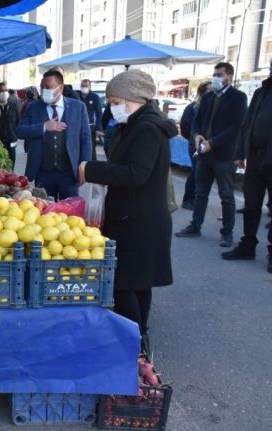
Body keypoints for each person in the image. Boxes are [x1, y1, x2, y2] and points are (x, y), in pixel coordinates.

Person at [77, 70, 176, 354]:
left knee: (123, 283)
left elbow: (136, 174)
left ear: (135, 99)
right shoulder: (133, 124)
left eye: (116, 101)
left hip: (139, 221)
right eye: (110, 101)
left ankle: (130, 342)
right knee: (139, 282)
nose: (112, 107)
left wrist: (90, 169)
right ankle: (138, 340)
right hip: (134, 215)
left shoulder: (146, 128)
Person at [176, 62, 248, 247]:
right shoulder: (208, 98)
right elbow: (197, 121)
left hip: (224, 154)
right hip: (204, 154)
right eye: (214, 74)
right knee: (201, 193)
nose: (216, 78)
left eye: (220, 74)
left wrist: (212, 143)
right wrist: (197, 135)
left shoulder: (238, 98)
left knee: (226, 195)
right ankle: (195, 225)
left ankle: (227, 232)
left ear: (229, 76)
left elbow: (236, 127)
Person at [222, 66, 272, 273]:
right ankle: (247, 245)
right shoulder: (262, 91)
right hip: (255, 156)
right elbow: (248, 123)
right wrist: (240, 152)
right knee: (251, 205)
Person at [16, 69, 92, 200]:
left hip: (69, 173)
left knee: (69, 213)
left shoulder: (78, 107)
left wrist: (84, 164)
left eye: (48, 87)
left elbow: (85, 139)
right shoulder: (33, 107)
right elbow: (20, 131)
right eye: (42, 87)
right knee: (44, 213)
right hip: (42, 172)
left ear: (60, 88)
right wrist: (43, 127)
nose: (43, 90)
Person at [179, 81, 213, 210]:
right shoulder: (193, 107)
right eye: (209, 90)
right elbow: (185, 126)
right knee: (195, 172)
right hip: (196, 145)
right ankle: (188, 200)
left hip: (209, 145)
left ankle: (197, 199)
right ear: (202, 93)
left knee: (201, 174)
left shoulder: (212, 107)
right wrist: (194, 140)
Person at [77, 79, 103, 161]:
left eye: (86, 86)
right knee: (78, 147)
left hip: (90, 128)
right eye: (82, 86)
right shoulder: (77, 96)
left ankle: (92, 167)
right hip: (77, 127)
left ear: (90, 87)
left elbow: (99, 113)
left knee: (91, 149)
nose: (84, 87)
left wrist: (98, 128)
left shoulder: (94, 97)